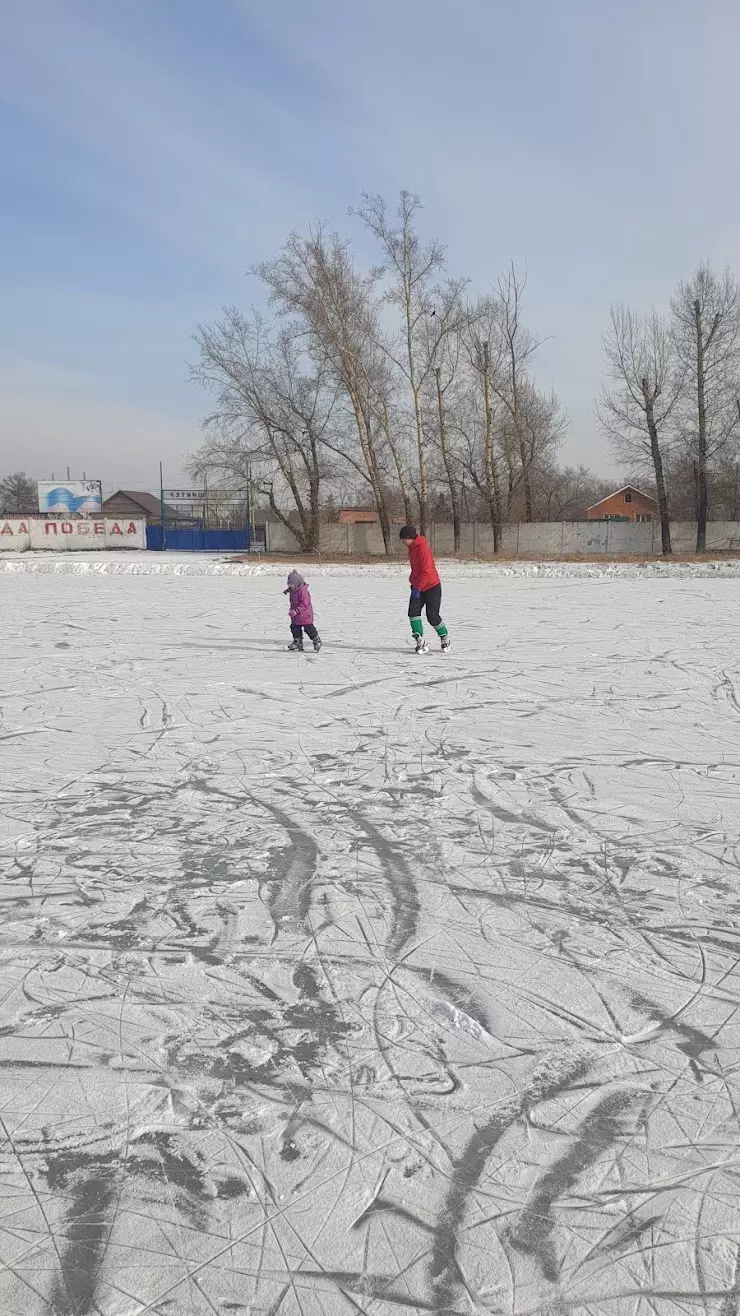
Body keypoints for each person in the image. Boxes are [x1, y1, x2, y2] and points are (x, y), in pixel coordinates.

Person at [399, 525, 451, 654]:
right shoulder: (411, 550)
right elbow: (416, 569)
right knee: (413, 612)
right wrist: (413, 580)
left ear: (409, 538)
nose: (403, 542)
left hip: (432, 587)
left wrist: (418, 588)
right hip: (418, 586)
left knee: (432, 615)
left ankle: (444, 637)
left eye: (404, 540)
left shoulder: (423, 549)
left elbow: (427, 571)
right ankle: (419, 639)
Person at [284, 571, 321, 652]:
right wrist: (288, 590)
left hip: (305, 614)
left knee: (309, 629)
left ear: (298, 584)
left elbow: (304, 604)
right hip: (296, 615)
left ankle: (316, 640)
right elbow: (291, 589)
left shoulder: (303, 592)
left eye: (293, 585)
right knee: (294, 627)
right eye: (290, 585)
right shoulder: (293, 589)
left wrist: (296, 611)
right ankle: (298, 642)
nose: (292, 587)